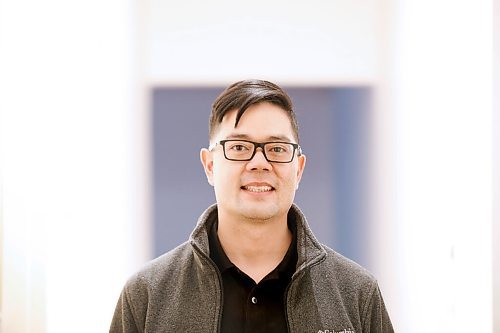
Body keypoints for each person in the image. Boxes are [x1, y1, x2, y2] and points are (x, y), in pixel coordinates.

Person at [110, 79, 394, 332]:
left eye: (277, 149)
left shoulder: (356, 293)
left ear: (299, 169)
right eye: (239, 147)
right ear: (209, 165)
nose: (259, 163)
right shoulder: (146, 295)